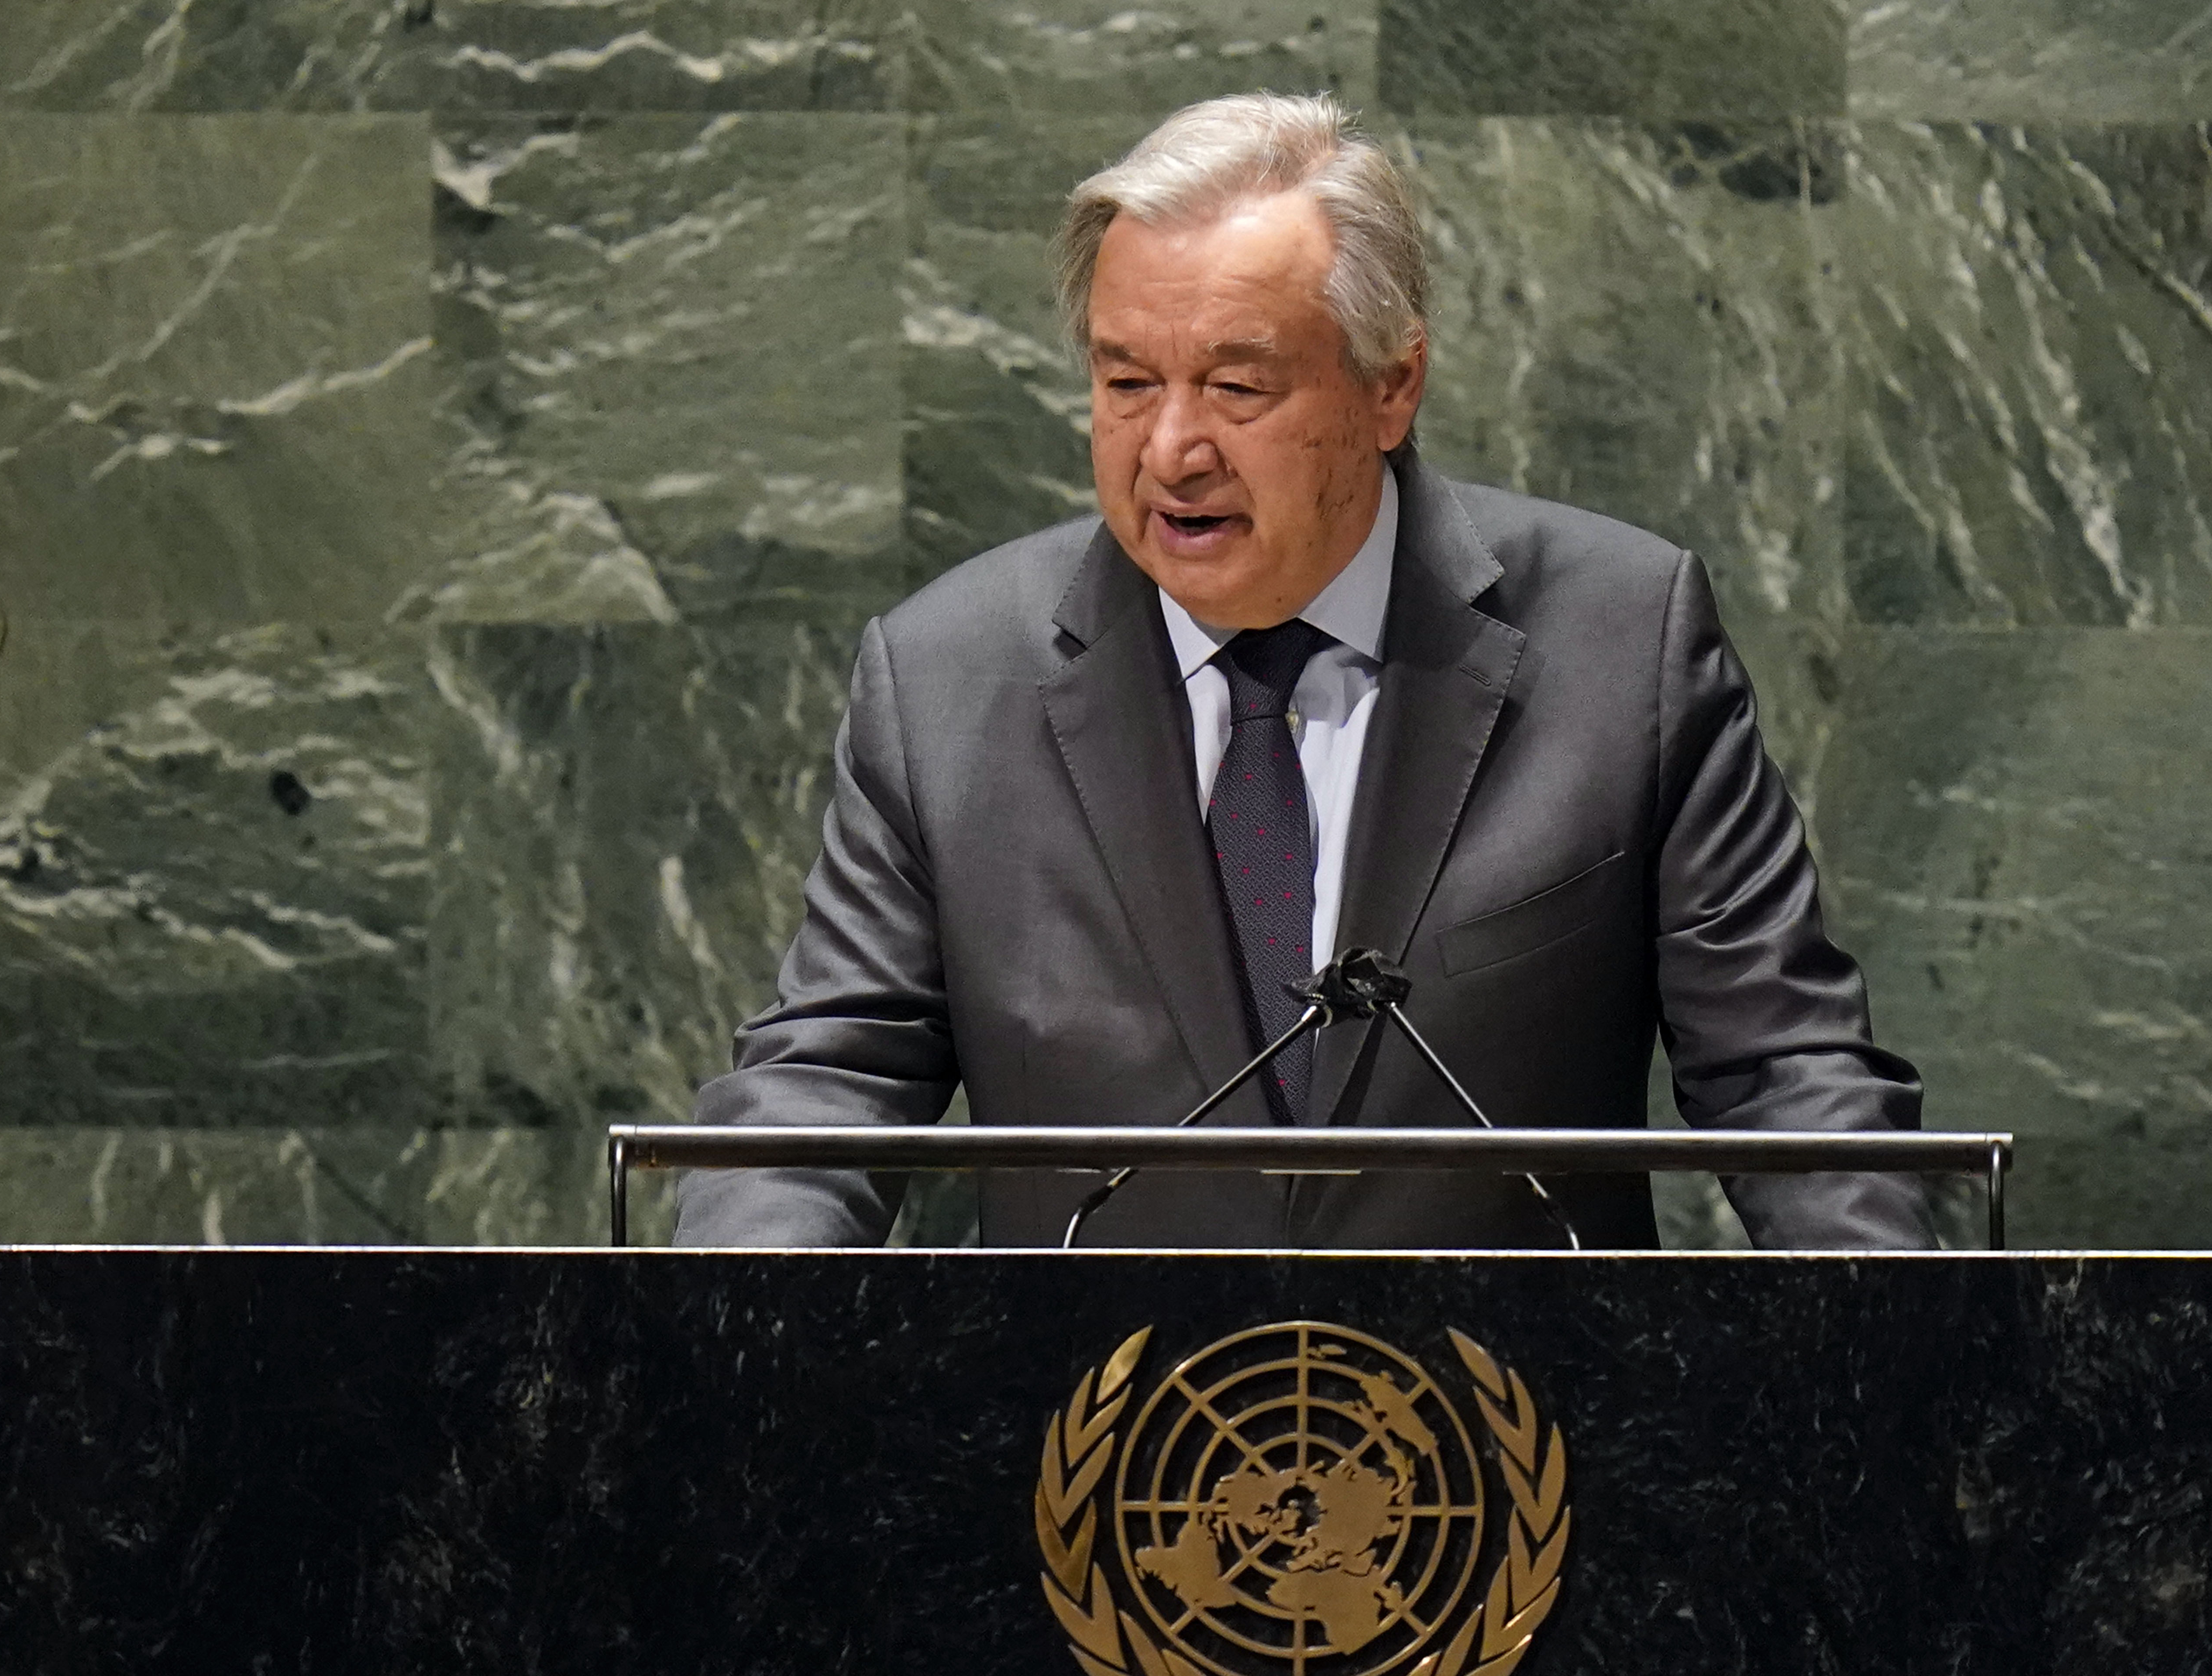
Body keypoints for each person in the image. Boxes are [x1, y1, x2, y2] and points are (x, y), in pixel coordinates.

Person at [674, 93, 1929, 1250]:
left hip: (1509, 1413)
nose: (1172, 449)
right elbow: (824, 1083)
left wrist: (1901, 1348)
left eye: (1236, 387)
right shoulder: (946, 680)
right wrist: (732, 1323)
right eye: (1127, 383)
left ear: (1393, 387)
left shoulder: (1622, 641)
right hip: (1098, 1417)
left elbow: (1787, 1076)